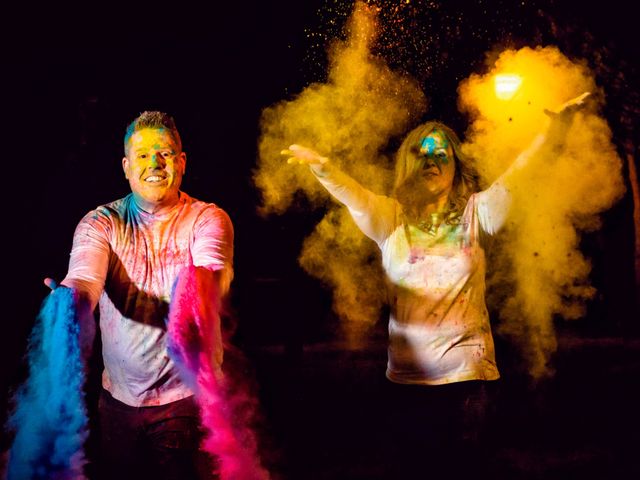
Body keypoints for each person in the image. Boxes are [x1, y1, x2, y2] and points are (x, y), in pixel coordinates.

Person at [282, 93, 589, 476]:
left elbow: (518, 180)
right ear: (409, 165)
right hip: (407, 383)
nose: (432, 161)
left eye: (441, 154)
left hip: (466, 381)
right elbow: (356, 199)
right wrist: (325, 169)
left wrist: (550, 132)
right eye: (423, 154)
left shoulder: (477, 214)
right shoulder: (389, 219)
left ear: (456, 165)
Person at [46, 111, 234, 480]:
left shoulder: (208, 219)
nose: (154, 164)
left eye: (163, 153)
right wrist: (69, 301)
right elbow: (85, 277)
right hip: (118, 403)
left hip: (186, 400)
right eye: (143, 155)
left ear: (181, 163)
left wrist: (201, 287)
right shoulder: (101, 222)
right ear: (126, 166)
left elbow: (214, 271)